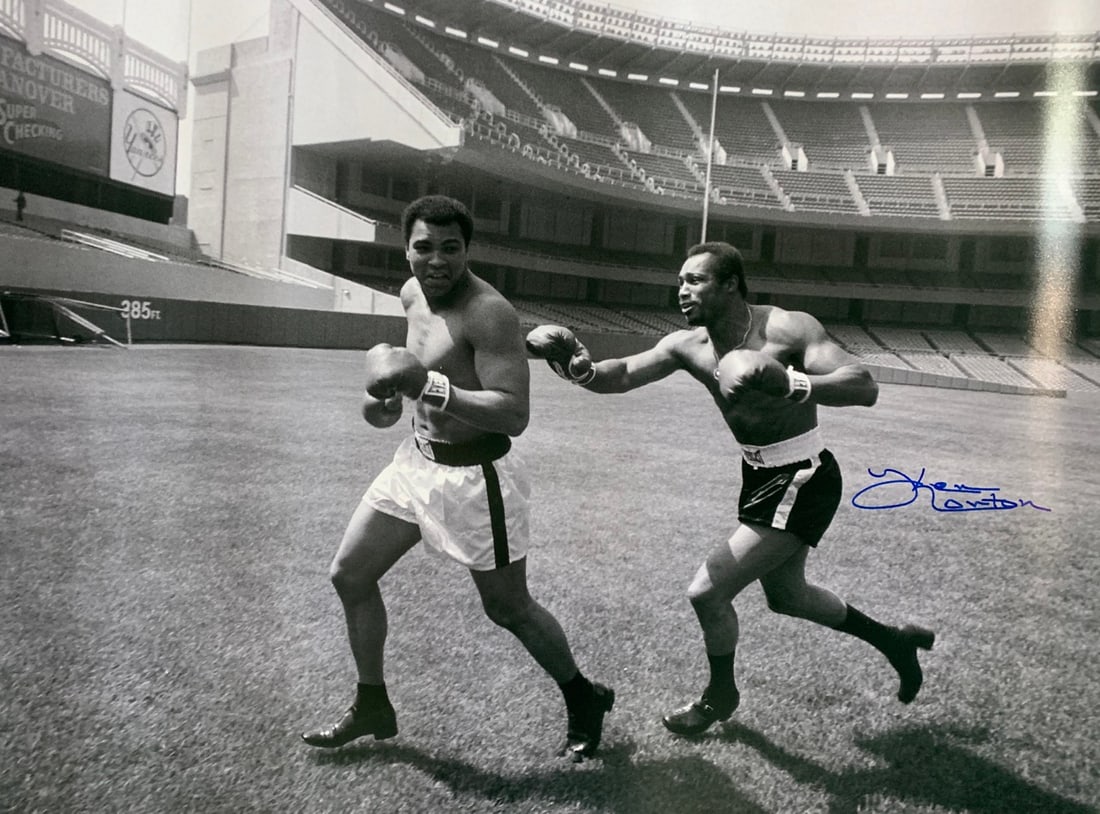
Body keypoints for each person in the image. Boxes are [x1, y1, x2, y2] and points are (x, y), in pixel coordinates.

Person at [526, 241, 934, 736]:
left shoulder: (786, 327)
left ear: (730, 284)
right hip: (760, 475)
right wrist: (581, 369)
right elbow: (625, 373)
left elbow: (863, 385)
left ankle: (720, 696)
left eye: (694, 280)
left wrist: (791, 382)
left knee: (707, 592)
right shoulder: (689, 345)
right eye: (679, 281)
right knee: (788, 597)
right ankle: (895, 641)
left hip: (802, 475)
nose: (682, 290)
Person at [302, 195, 613, 760]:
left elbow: (514, 412)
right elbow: (409, 377)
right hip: (415, 462)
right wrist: (387, 401)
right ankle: (372, 702)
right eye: (424, 247)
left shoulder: (488, 312)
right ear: (407, 249)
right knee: (349, 574)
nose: (437, 260)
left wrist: (428, 386)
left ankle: (583, 695)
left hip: (478, 479)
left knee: (508, 608)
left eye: (451, 248)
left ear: (467, 249)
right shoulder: (410, 292)